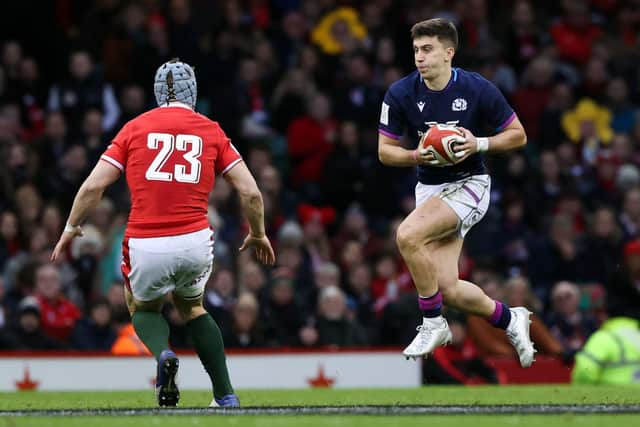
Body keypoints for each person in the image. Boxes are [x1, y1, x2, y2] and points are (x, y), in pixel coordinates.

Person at [51, 59, 276, 407]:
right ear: (193, 92)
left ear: (157, 92)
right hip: (196, 240)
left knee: (142, 306)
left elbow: (94, 186)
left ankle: (163, 356)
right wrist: (258, 233)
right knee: (193, 307)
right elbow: (250, 192)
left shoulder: (134, 128)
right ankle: (224, 395)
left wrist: (71, 226)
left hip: (146, 241)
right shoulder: (211, 130)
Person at [377, 18, 534, 367]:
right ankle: (511, 319)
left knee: (407, 235)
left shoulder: (478, 89)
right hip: (429, 189)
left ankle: (433, 322)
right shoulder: (401, 93)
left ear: (449, 53)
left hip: (469, 185)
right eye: (416, 49)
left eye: (428, 49)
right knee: (447, 287)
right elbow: (385, 151)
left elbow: (518, 135)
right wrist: (416, 154)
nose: (420, 56)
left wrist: (477, 143)